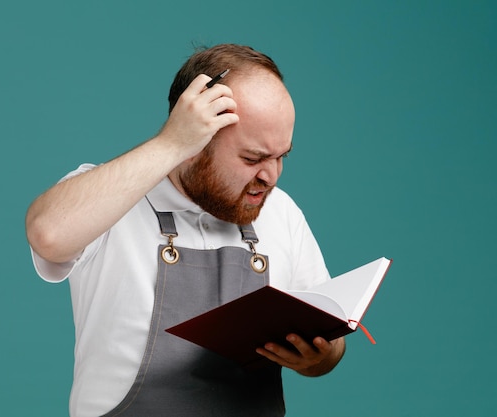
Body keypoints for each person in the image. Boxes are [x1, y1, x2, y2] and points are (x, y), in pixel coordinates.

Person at [26, 43, 345, 417]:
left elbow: (331, 342)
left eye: (281, 157)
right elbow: (48, 235)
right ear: (196, 140)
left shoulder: (282, 213)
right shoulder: (110, 200)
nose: (270, 176)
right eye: (252, 158)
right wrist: (170, 142)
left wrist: (317, 357)